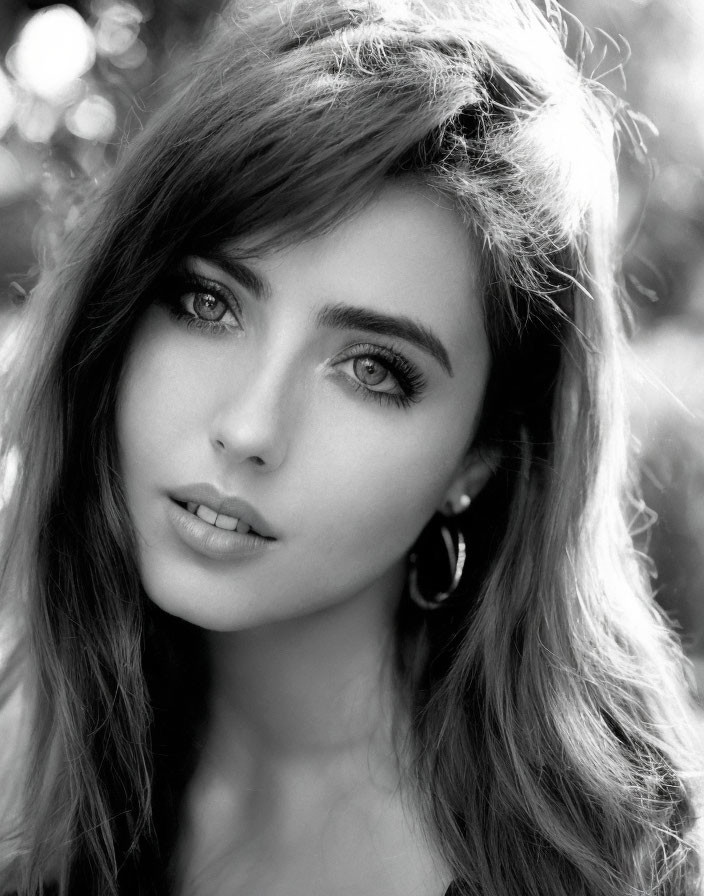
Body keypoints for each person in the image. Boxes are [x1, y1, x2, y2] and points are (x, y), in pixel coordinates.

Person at [0, 0, 700, 893]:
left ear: (479, 459)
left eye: (371, 369)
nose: (249, 429)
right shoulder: (34, 808)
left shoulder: (616, 868)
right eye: (208, 304)